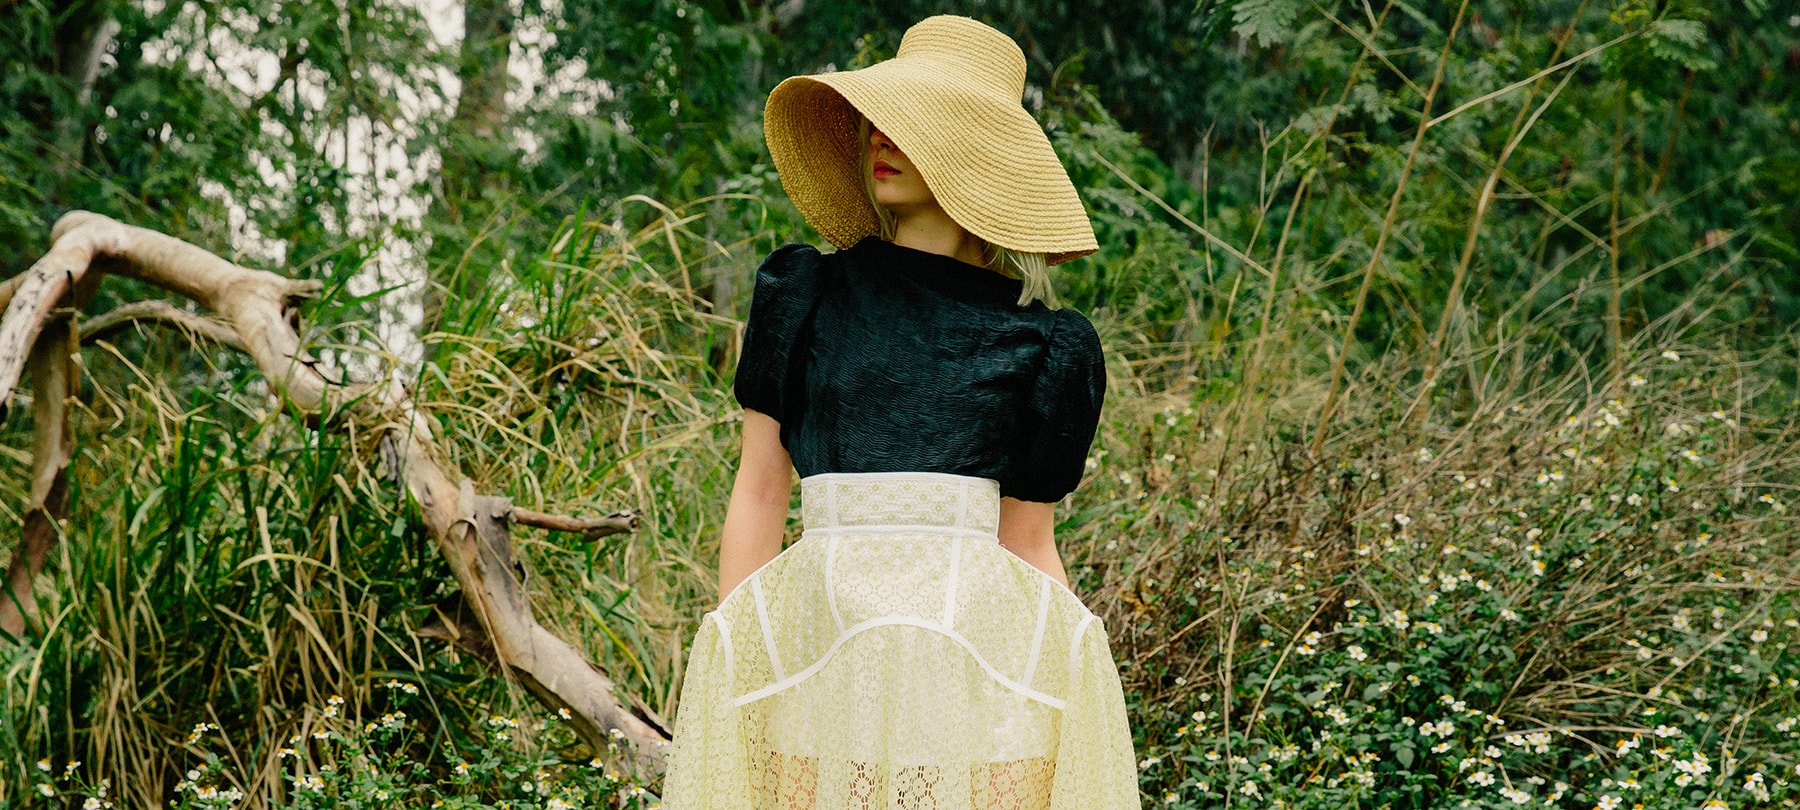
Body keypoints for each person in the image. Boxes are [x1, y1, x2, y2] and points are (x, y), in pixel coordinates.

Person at [659, 15, 1140, 809]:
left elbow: (1027, 549)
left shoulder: (1045, 345)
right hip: (814, 660)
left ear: (971, 150)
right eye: (878, 117)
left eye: (915, 123)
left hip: (970, 679)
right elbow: (760, 490)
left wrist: (1072, 681)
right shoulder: (805, 296)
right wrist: (737, 659)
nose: (881, 137)